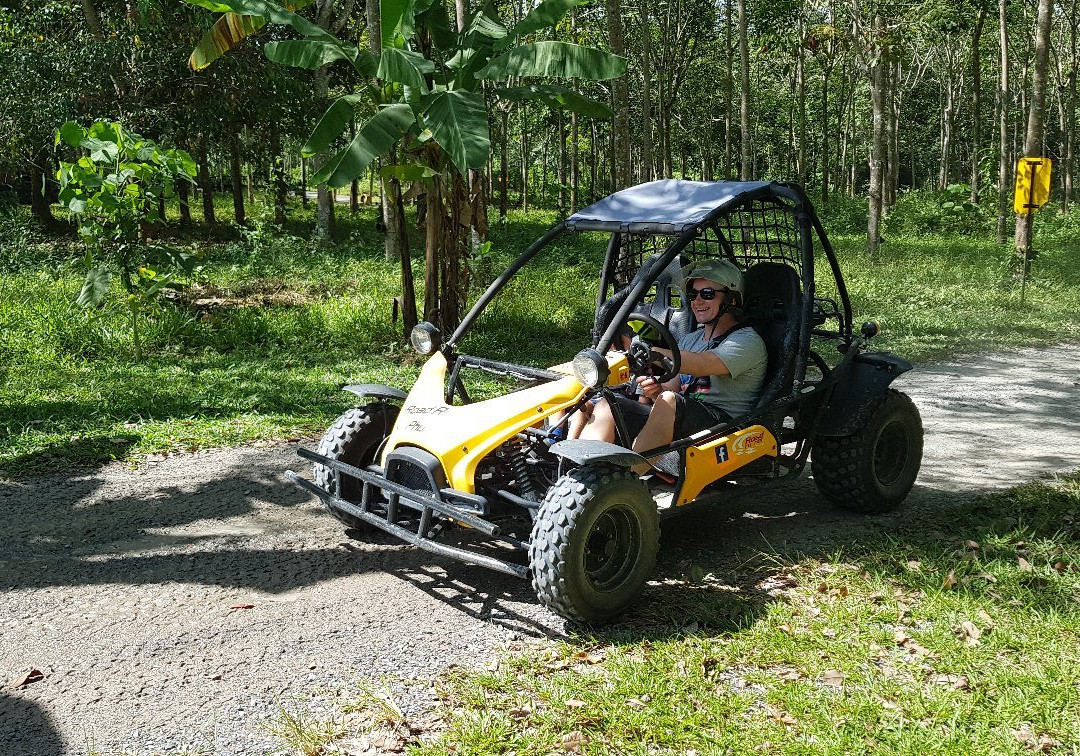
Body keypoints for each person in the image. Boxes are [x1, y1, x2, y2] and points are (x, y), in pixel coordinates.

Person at [576, 258, 767, 474]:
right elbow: (672, 392)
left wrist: (653, 353)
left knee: (669, 401)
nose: (697, 301)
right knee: (608, 404)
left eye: (707, 294)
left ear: (732, 299)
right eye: (693, 294)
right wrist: (656, 390)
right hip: (685, 418)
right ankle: (581, 474)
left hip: (726, 427)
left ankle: (624, 483)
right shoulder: (690, 340)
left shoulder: (746, 341)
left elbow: (704, 364)